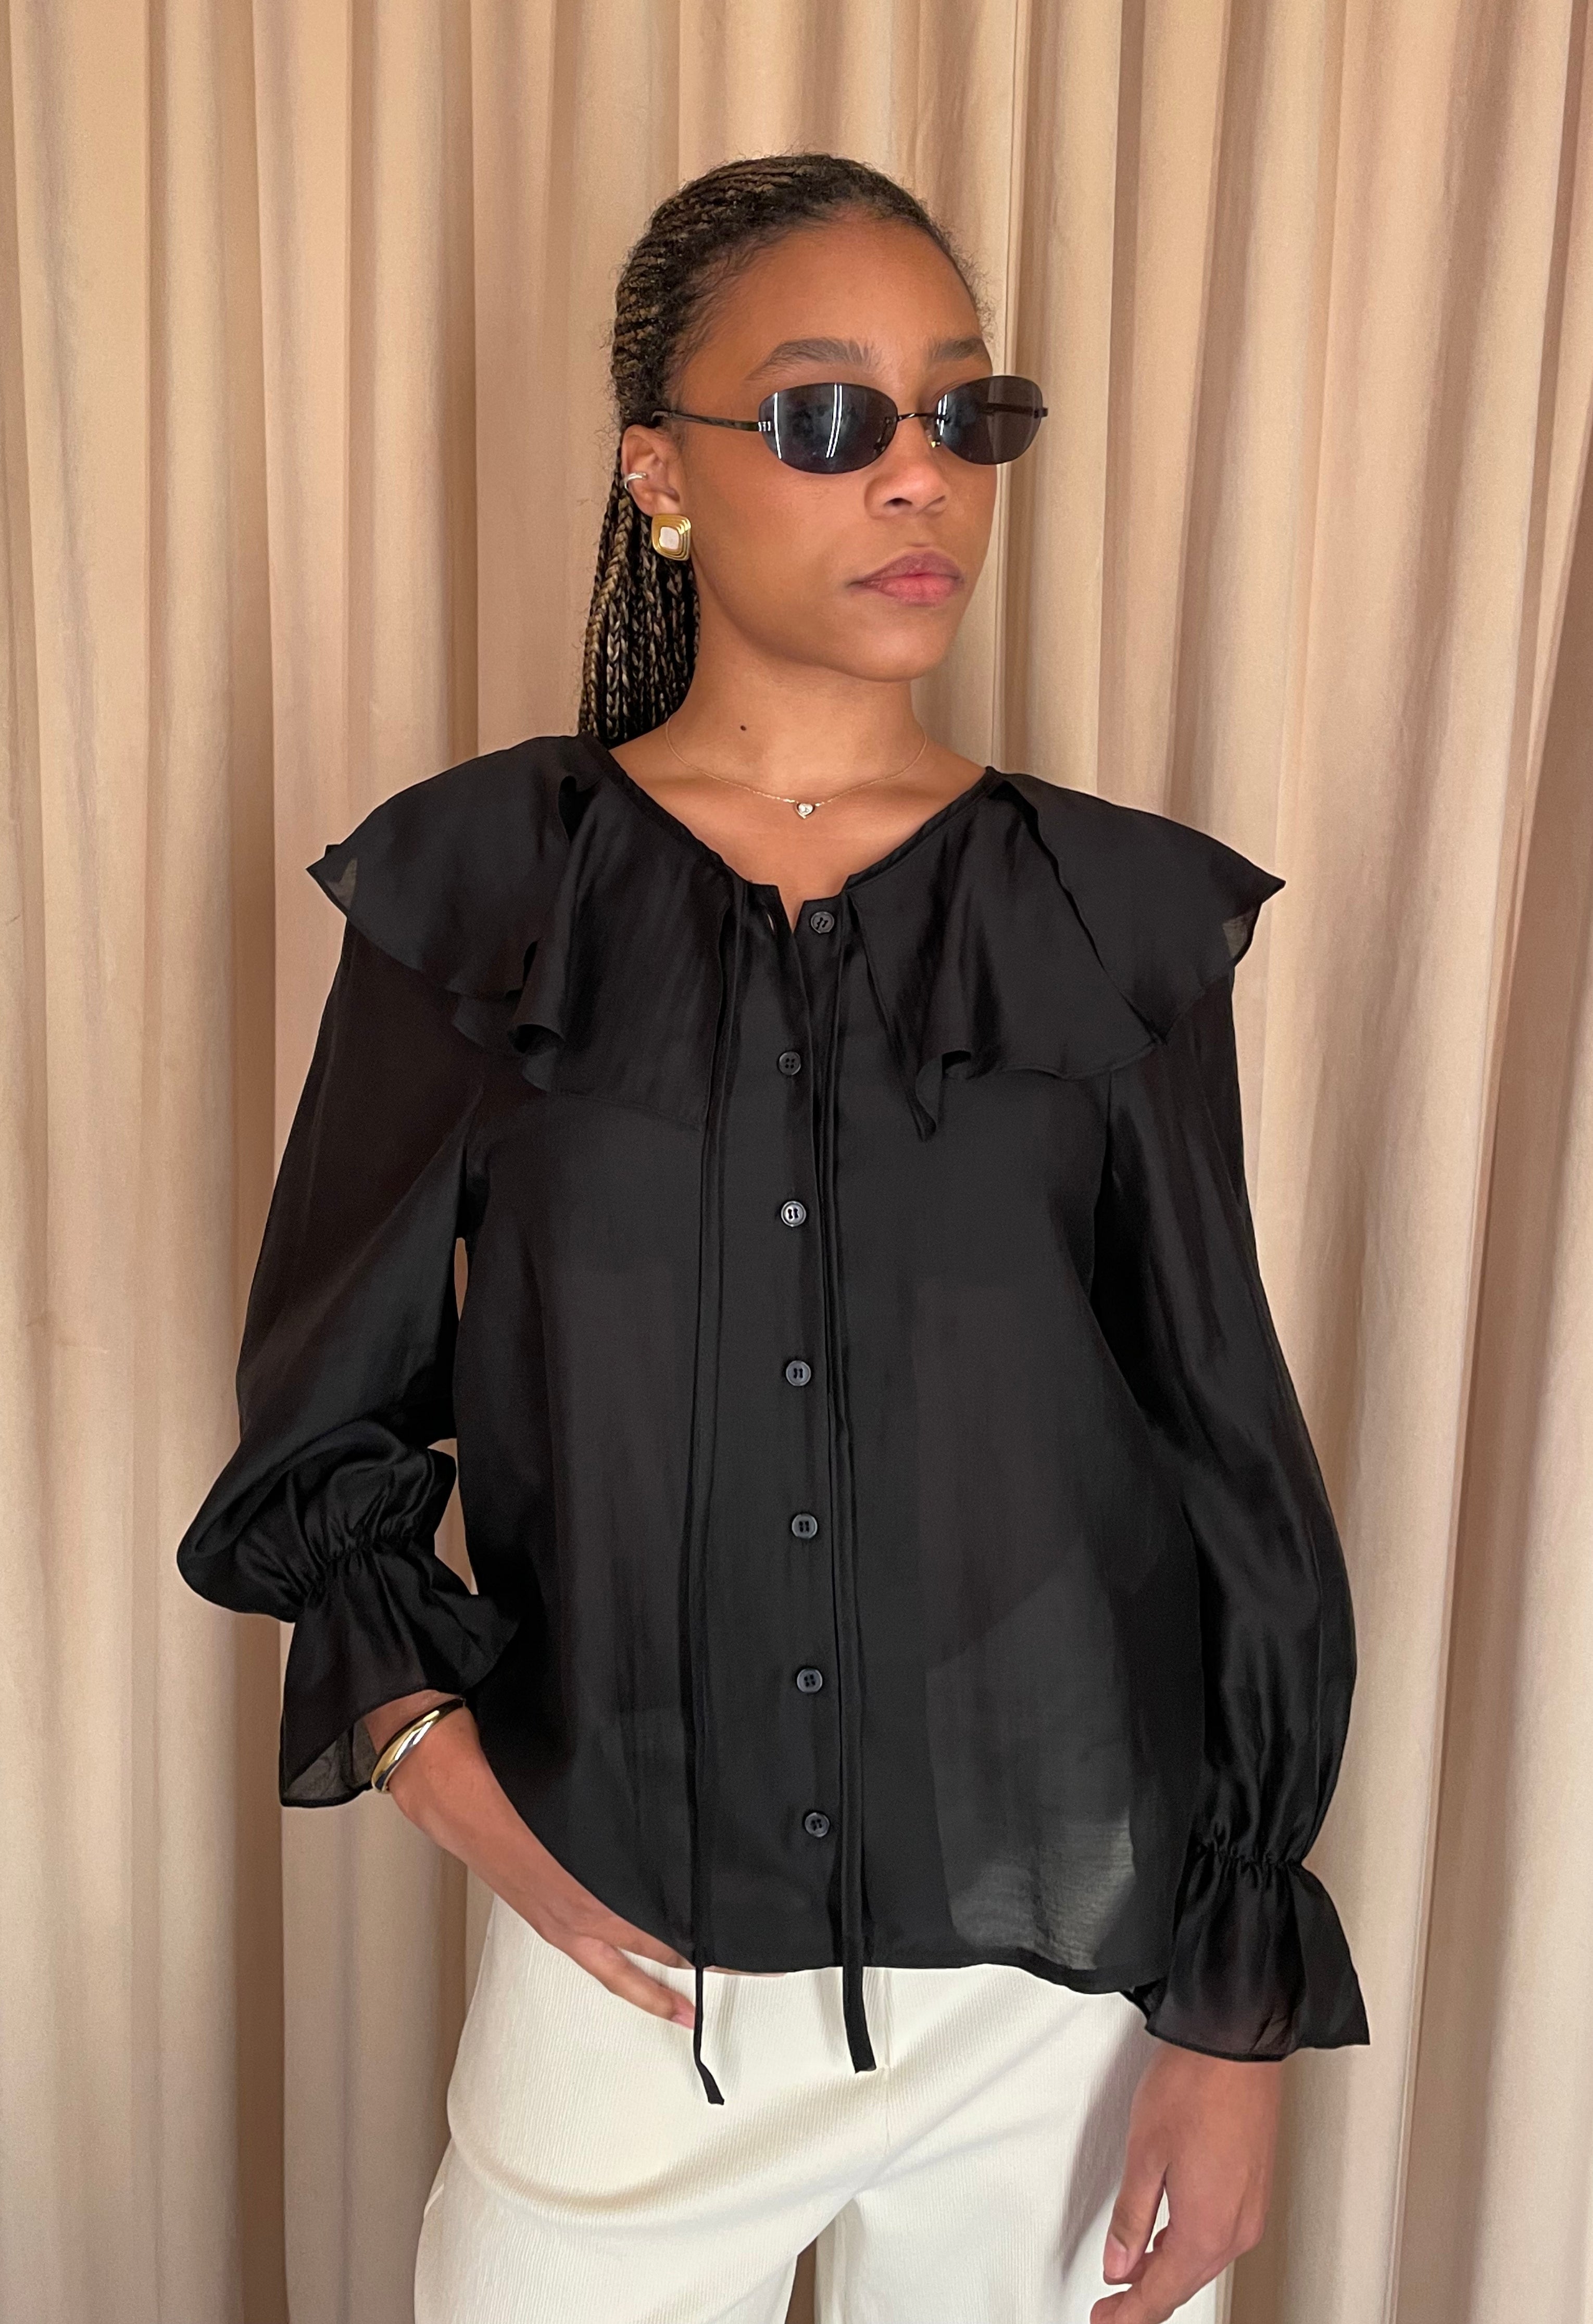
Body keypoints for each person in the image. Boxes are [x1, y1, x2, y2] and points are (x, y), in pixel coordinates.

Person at [177, 152, 1368, 2324]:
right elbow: (323, 1420)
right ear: (661, 469)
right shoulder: (485, 892)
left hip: (1055, 2000)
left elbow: (1224, 1451)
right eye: (831, 417)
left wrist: (1232, 2007)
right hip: (630, 1975)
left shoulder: (1107, 918)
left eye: (966, 413)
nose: (920, 474)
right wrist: (447, 1779)